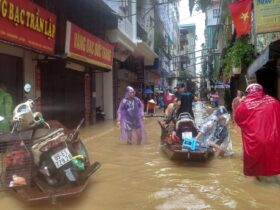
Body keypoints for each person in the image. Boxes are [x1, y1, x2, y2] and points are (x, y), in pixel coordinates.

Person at [235, 83, 280, 181]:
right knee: (275, 166)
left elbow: (238, 121)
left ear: (248, 92)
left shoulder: (244, 104)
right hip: (274, 140)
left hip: (255, 142)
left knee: (252, 171)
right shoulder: (274, 101)